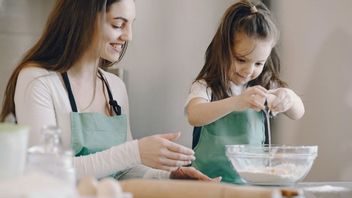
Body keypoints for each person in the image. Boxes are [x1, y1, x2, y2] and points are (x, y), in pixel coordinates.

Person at [0, 0, 221, 182]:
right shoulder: (38, 81)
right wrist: (135, 151)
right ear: (83, 21)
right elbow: (48, 173)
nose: (128, 36)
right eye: (118, 24)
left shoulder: (115, 87)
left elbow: (124, 170)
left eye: (131, 24)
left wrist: (169, 176)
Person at [185, 0, 305, 184]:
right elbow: (194, 115)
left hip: (249, 184)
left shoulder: (263, 85)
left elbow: (298, 113)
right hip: (207, 184)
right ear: (222, 50)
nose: (249, 70)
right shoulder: (207, 86)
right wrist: (237, 102)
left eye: (258, 63)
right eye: (241, 59)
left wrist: (288, 98)